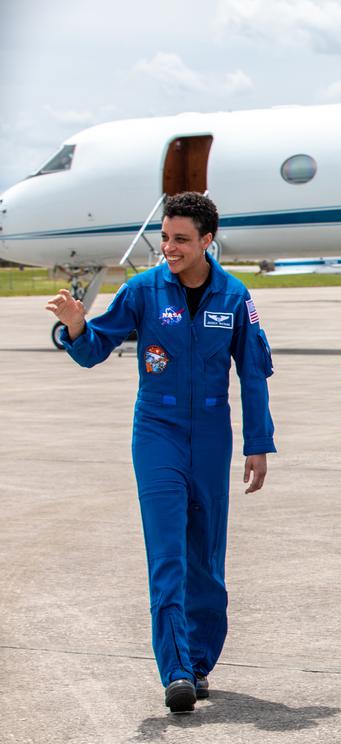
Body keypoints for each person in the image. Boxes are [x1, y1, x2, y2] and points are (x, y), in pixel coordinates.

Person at [45, 192, 275, 714]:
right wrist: (78, 325)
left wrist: (258, 444)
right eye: (165, 238)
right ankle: (175, 671)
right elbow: (95, 346)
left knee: (206, 557)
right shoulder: (143, 290)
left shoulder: (236, 297)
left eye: (181, 240)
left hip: (213, 433)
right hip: (157, 430)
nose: (168, 248)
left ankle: (198, 661)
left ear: (207, 242)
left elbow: (254, 375)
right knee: (167, 552)